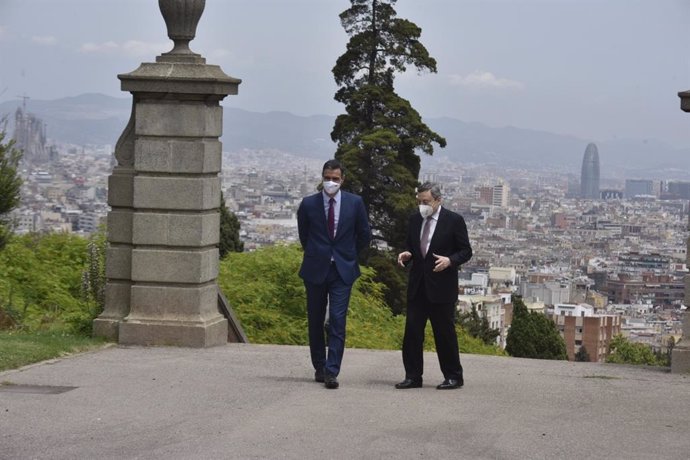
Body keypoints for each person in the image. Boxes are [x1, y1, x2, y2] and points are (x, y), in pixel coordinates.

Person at [297, 159, 371, 389]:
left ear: (343, 180)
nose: (331, 182)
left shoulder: (354, 203)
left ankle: (332, 371)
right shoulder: (309, 204)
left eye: (335, 179)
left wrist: (347, 256)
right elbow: (304, 235)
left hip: (342, 270)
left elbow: (364, 234)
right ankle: (319, 366)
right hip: (316, 268)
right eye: (327, 178)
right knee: (316, 319)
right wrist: (317, 253)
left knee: (338, 320)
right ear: (322, 177)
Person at [395, 182, 473, 390]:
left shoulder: (453, 221)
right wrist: (407, 254)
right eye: (420, 201)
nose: (422, 205)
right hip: (418, 285)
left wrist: (449, 261)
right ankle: (413, 376)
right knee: (412, 332)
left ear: (438, 200)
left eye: (426, 201)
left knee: (444, 333)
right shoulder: (414, 220)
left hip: (442, 287)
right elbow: (413, 247)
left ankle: (454, 376)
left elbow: (466, 251)